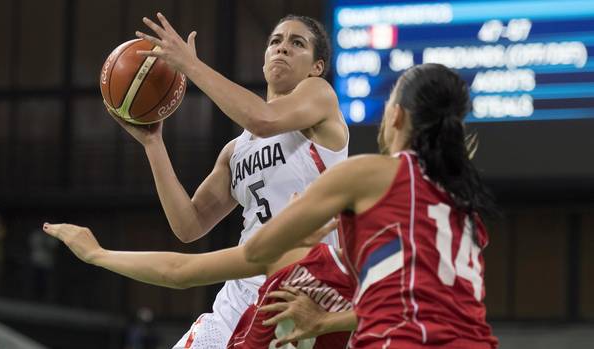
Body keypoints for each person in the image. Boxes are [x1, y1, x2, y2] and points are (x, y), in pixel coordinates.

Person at [106, 13, 348, 348]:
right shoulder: (237, 149)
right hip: (240, 293)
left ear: (316, 67)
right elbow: (188, 225)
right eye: (275, 41)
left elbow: (263, 118)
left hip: (302, 289)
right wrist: (153, 144)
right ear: (264, 61)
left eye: (297, 43)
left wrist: (190, 66)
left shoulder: (320, 97)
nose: (282, 48)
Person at [244, 63, 499, 348]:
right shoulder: (464, 207)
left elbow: (257, 250)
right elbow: (417, 303)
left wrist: (293, 229)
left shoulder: (370, 175)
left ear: (396, 116)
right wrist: (327, 322)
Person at [42, 221, 354, 349]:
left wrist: (327, 321)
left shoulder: (380, 297)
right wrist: (98, 254)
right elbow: (179, 270)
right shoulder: (290, 256)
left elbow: (180, 271)